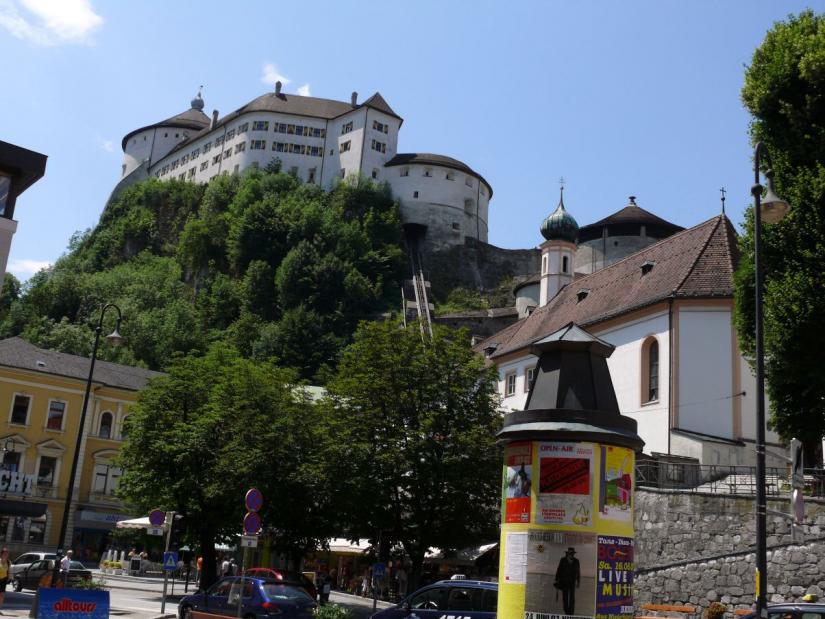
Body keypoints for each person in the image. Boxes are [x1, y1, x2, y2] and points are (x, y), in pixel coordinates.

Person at [554, 547, 580, 616]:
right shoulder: (563, 560)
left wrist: (578, 581)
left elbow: (578, 572)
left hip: (572, 582)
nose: (571, 554)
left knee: (572, 598)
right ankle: (566, 612)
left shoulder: (576, 561)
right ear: (567, 553)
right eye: (570, 553)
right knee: (565, 598)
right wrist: (556, 579)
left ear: (574, 554)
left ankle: (571, 613)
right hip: (564, 581)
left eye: (572, 553)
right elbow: (559, 569)